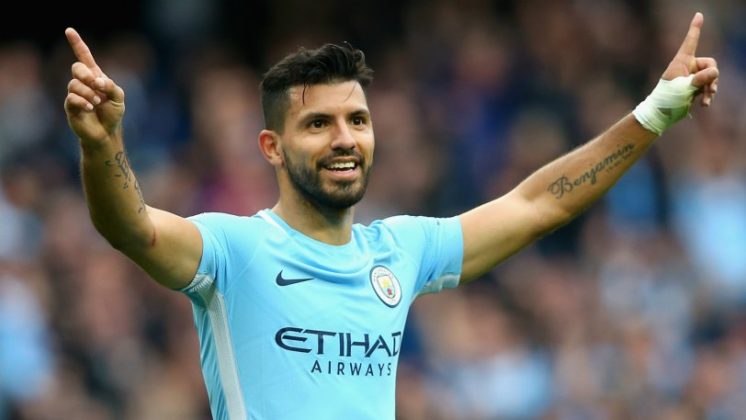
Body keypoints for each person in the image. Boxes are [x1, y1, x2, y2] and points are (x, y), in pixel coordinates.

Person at [63, 12, 719, 420]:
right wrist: (102, 145)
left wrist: (655, 114)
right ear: (271, 146)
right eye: (318, 124)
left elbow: (538, 204)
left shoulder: (399, 251)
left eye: (358, 120)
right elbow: (131, 227)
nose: (344, 139)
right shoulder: (234, 250)